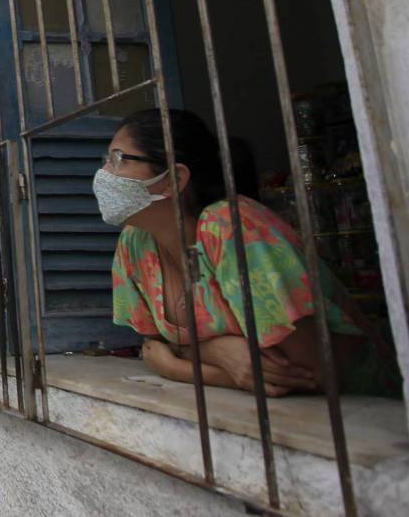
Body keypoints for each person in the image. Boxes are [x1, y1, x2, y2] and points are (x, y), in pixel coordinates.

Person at [98, 108, 397, 397]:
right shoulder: (136, 243)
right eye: (106, 160)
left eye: (118, 159)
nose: (103, 173)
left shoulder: (232, 227)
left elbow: (308, 373)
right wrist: (216, 352)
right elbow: (151, 348)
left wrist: (178, 365)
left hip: (357, 412)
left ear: (174, 179)